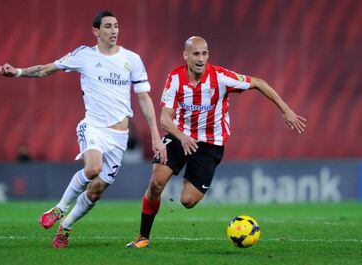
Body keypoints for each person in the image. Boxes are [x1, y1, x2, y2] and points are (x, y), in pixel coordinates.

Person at [0, 10, 166, 248]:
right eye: (107, 26)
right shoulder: (84, 56)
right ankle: (59, 208)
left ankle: (65, 227)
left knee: (96, 191)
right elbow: (47, 69)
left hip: (119, 136)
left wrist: (156, 136)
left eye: (116, 26)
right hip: (93, 126)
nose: (114, 30)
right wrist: (19, 72)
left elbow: (144, 99)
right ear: (96, 31)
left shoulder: (132, 59)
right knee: (93, 167)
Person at [126, 36, 306, 248]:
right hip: (179, 136)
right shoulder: (175, 78)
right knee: (156, 183)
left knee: (188, 201)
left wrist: (286, 111)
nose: (201, 58)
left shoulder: (220, 77)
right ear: (186, 56)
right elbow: (165, 118)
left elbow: (258, 83)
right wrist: (182, 136)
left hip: (210, 144)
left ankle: (190, 177)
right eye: (196, 54)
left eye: (204, 53)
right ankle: (143, 237)